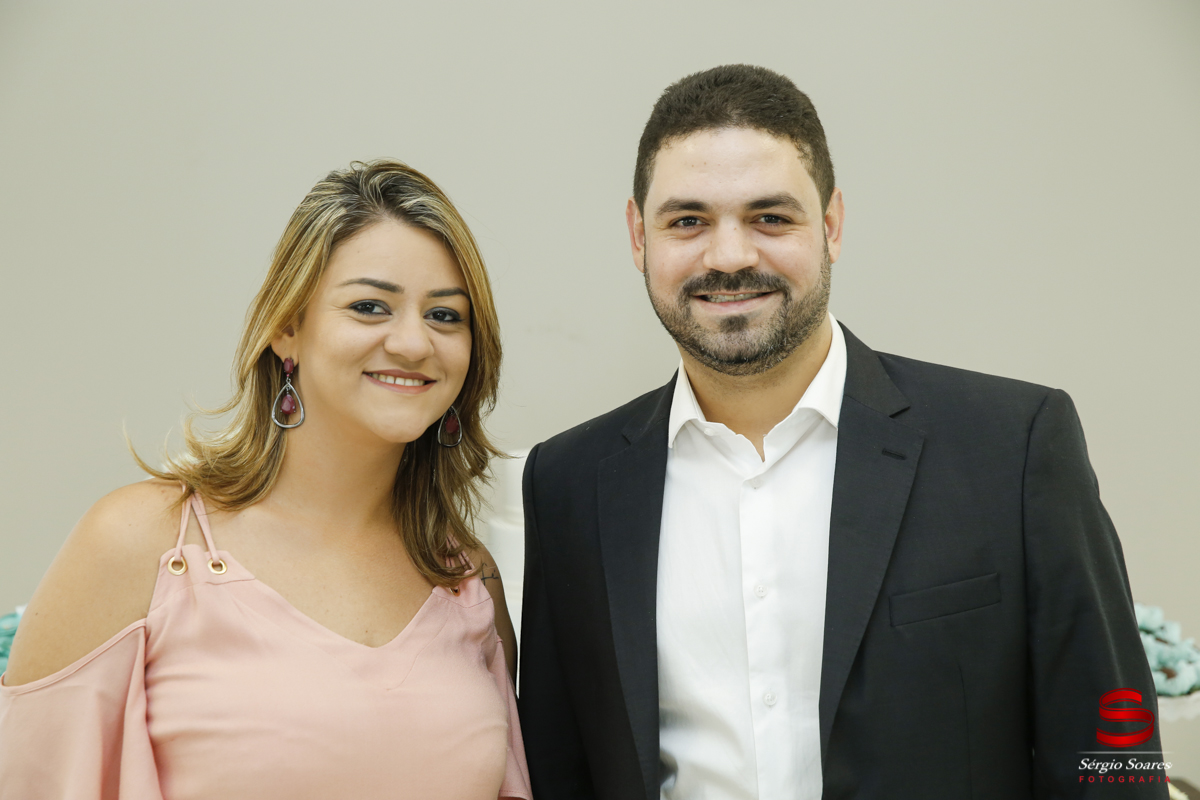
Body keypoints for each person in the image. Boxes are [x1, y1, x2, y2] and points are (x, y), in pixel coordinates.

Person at [518, 65, 1166, 799]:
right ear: (640, 236)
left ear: (831, 225)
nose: (729, 256)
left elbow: (1113, 751)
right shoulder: (568, 485)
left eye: (770, 217)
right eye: (688, 221)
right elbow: (560, 768)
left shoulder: (1012, 447)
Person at [0, 160, 532, 800]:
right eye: (370, 306)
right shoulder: (141, 543)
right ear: (287, 329)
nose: (414, 343)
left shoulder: (467, 580)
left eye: (446, 316)